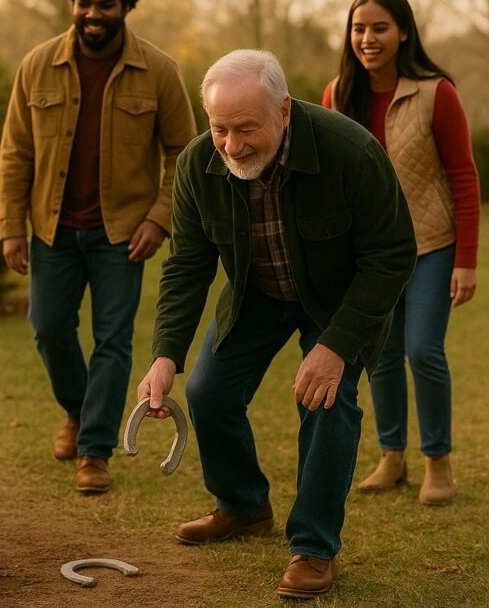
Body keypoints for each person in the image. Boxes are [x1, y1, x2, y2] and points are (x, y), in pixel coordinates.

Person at [139, 50, 416, 598]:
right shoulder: (198, 164)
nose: (233, 145)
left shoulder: (352, 151)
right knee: (208, 391)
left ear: (284, 111)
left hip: (337, 302)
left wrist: (336, 345)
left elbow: (392, 254)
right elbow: (188, 266)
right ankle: (243, 506)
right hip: (257, 294)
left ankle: (312, 548)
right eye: (220, 129)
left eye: (246, 129)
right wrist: (164, 354)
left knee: (326, 400)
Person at [0, 0, 196, 494]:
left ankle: (94, 449)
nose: (93, 13)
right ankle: (78, 410)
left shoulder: (158, 71)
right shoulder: (37, 65)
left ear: (125, 5)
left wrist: (159, 218)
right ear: (72, 1)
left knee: (113, 339)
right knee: (48, 329)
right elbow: (14, 152)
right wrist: (11, 224)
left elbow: (185, 153)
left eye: (105, 4)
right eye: (84, 2)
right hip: (50, 229)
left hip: (122, 235)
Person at [324, 0, 481, 505]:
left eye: (379, 28)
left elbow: (463, 177)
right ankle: (392, 457)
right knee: (381, 358)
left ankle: (438, 461)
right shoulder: (337, 96)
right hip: (370, 255)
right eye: (359, 28)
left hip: (433, 245)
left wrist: (466, 261)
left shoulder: (437, 93)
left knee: (422, 351)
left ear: (404, 31)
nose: (367, 38)